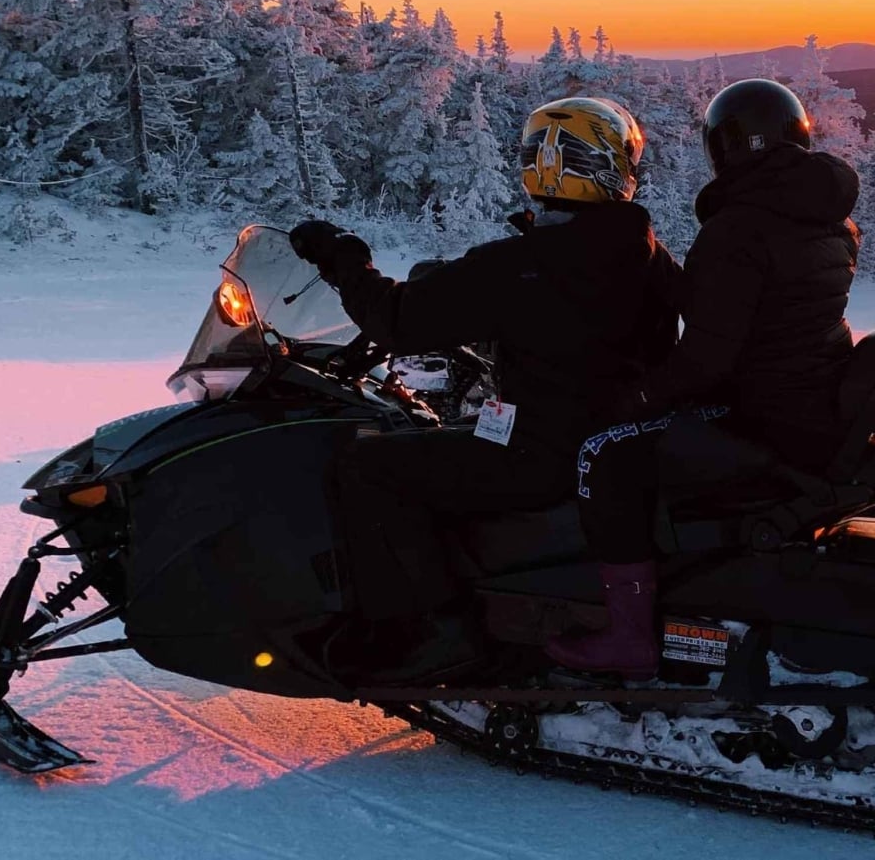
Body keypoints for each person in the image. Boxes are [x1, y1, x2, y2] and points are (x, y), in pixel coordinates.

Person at [289, 97, 679, 679]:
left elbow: (399, 320)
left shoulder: (522, 264)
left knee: (367, 468)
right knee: (443, 438)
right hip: (609, 441)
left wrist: (342, 257)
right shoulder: (644, 251)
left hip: (540, 452)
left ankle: (427, 629)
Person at [547, 78, 862, 679]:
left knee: (602, 453)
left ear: (729, 146)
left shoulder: (740, 228)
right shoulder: (825, 219)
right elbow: (761, 310)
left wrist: (635, 397)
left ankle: (628, 636)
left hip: (762, 413)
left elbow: (709, 358)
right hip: (805, 402)